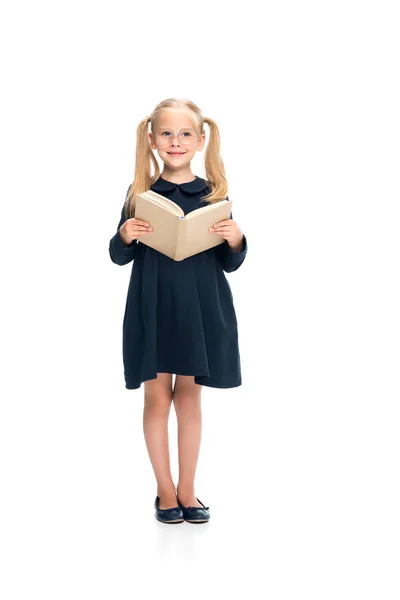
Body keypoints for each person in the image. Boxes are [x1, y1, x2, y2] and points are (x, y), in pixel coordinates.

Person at [108, 98, 248, 524]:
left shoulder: (214, 195)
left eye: (185, 134)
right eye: (166, 133)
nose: (176, 141)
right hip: (153, 309)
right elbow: (117, 256)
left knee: (189, 399)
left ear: (201, 140)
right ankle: (165, 491)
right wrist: (125, 235)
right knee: (156, 399)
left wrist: (236, 238)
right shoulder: (140, 194)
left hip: (199, 313)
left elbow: (230, 263)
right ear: (152, 140)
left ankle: (189, 489)